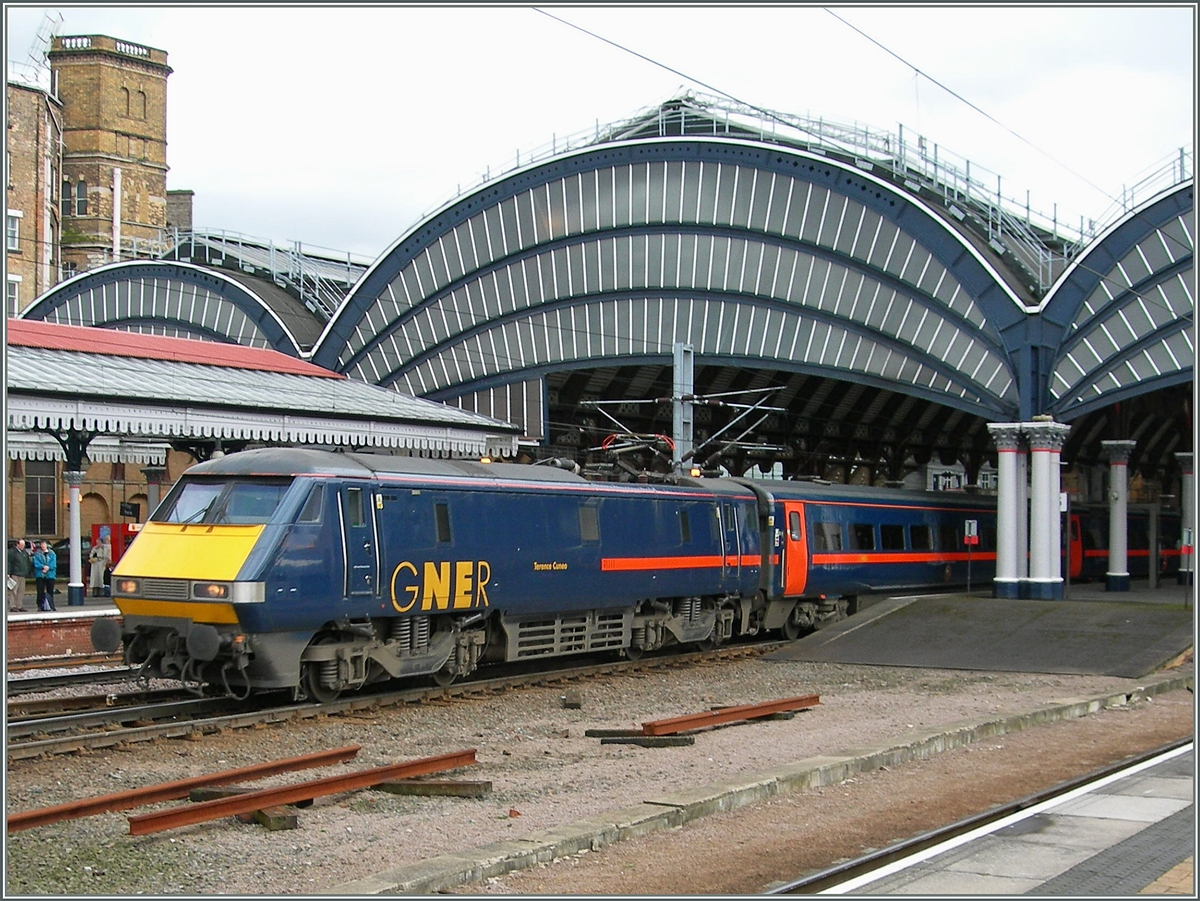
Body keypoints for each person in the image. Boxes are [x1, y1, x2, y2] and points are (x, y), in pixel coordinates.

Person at [7, 538, 32, 613]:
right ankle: (13, 606)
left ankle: (19, 605)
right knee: (13, 591)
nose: (22, 546)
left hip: (23, 574)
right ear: (17, 544)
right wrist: (8, 573)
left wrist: (28, 571)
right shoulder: (12, 552)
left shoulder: (24, 553)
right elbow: (9, 563)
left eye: (23, 545)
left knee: (21, 591)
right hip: (15, 574)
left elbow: (28, 562)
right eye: (21, 545)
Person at [32, 540, 56, 612]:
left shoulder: (52, 554)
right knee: (40, 591)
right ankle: (40, 605)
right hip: (40, 575)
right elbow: (36, 563)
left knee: (50, 591)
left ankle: (51, 605)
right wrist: (43, 567)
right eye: (42, 544)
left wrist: (48, 567)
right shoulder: (37, 554)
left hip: (50, 575)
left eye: (44, 544)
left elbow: (53, 563)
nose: (43, 546)